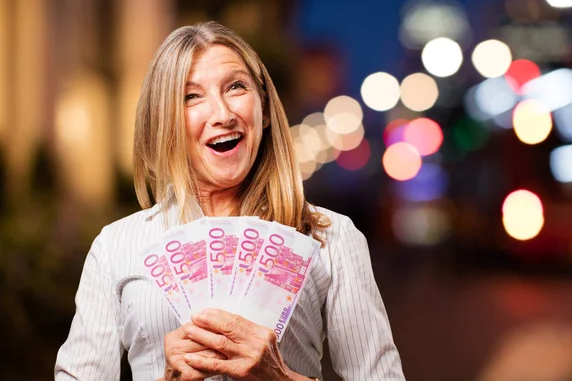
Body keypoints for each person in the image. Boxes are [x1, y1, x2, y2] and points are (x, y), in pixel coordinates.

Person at [55, 21, 405, 381]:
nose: (222, 115)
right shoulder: (115, 248)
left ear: (264, 109)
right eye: (191, 96)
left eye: (236, 87)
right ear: (165, 122)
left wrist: (280, 378)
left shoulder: (332, 240)